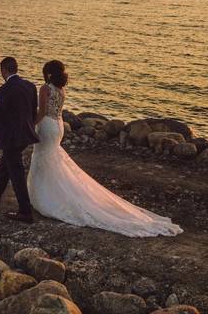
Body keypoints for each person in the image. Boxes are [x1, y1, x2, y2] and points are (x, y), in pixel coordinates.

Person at [27, 59, 182, 237]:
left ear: (48, 73)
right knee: (52, 158)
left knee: (44, 157)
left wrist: (29, 125)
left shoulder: (45, 88)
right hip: (58, 126)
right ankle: (50, 192)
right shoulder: (61, 90)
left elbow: (41, 112)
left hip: (47, 125)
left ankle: (48, 197)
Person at [0, 56, 38, 223]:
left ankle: (25, 211)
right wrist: (30, 128)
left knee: (16, 173)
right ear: (16, 68)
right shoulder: (30, 86)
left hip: (11, 137)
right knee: (5, 166)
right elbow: (33, 111)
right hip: (25, 135)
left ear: (4, 70)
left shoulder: (4, 90)